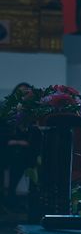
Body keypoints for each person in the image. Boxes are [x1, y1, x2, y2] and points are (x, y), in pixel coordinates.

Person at [0, 82, 35, 210]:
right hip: (5, 146)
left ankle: (11, 195)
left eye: (27, 93)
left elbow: (31, 136)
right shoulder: (5, 110)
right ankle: (8, 197)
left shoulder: (33, 112)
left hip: (23, 149)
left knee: (20, 155)